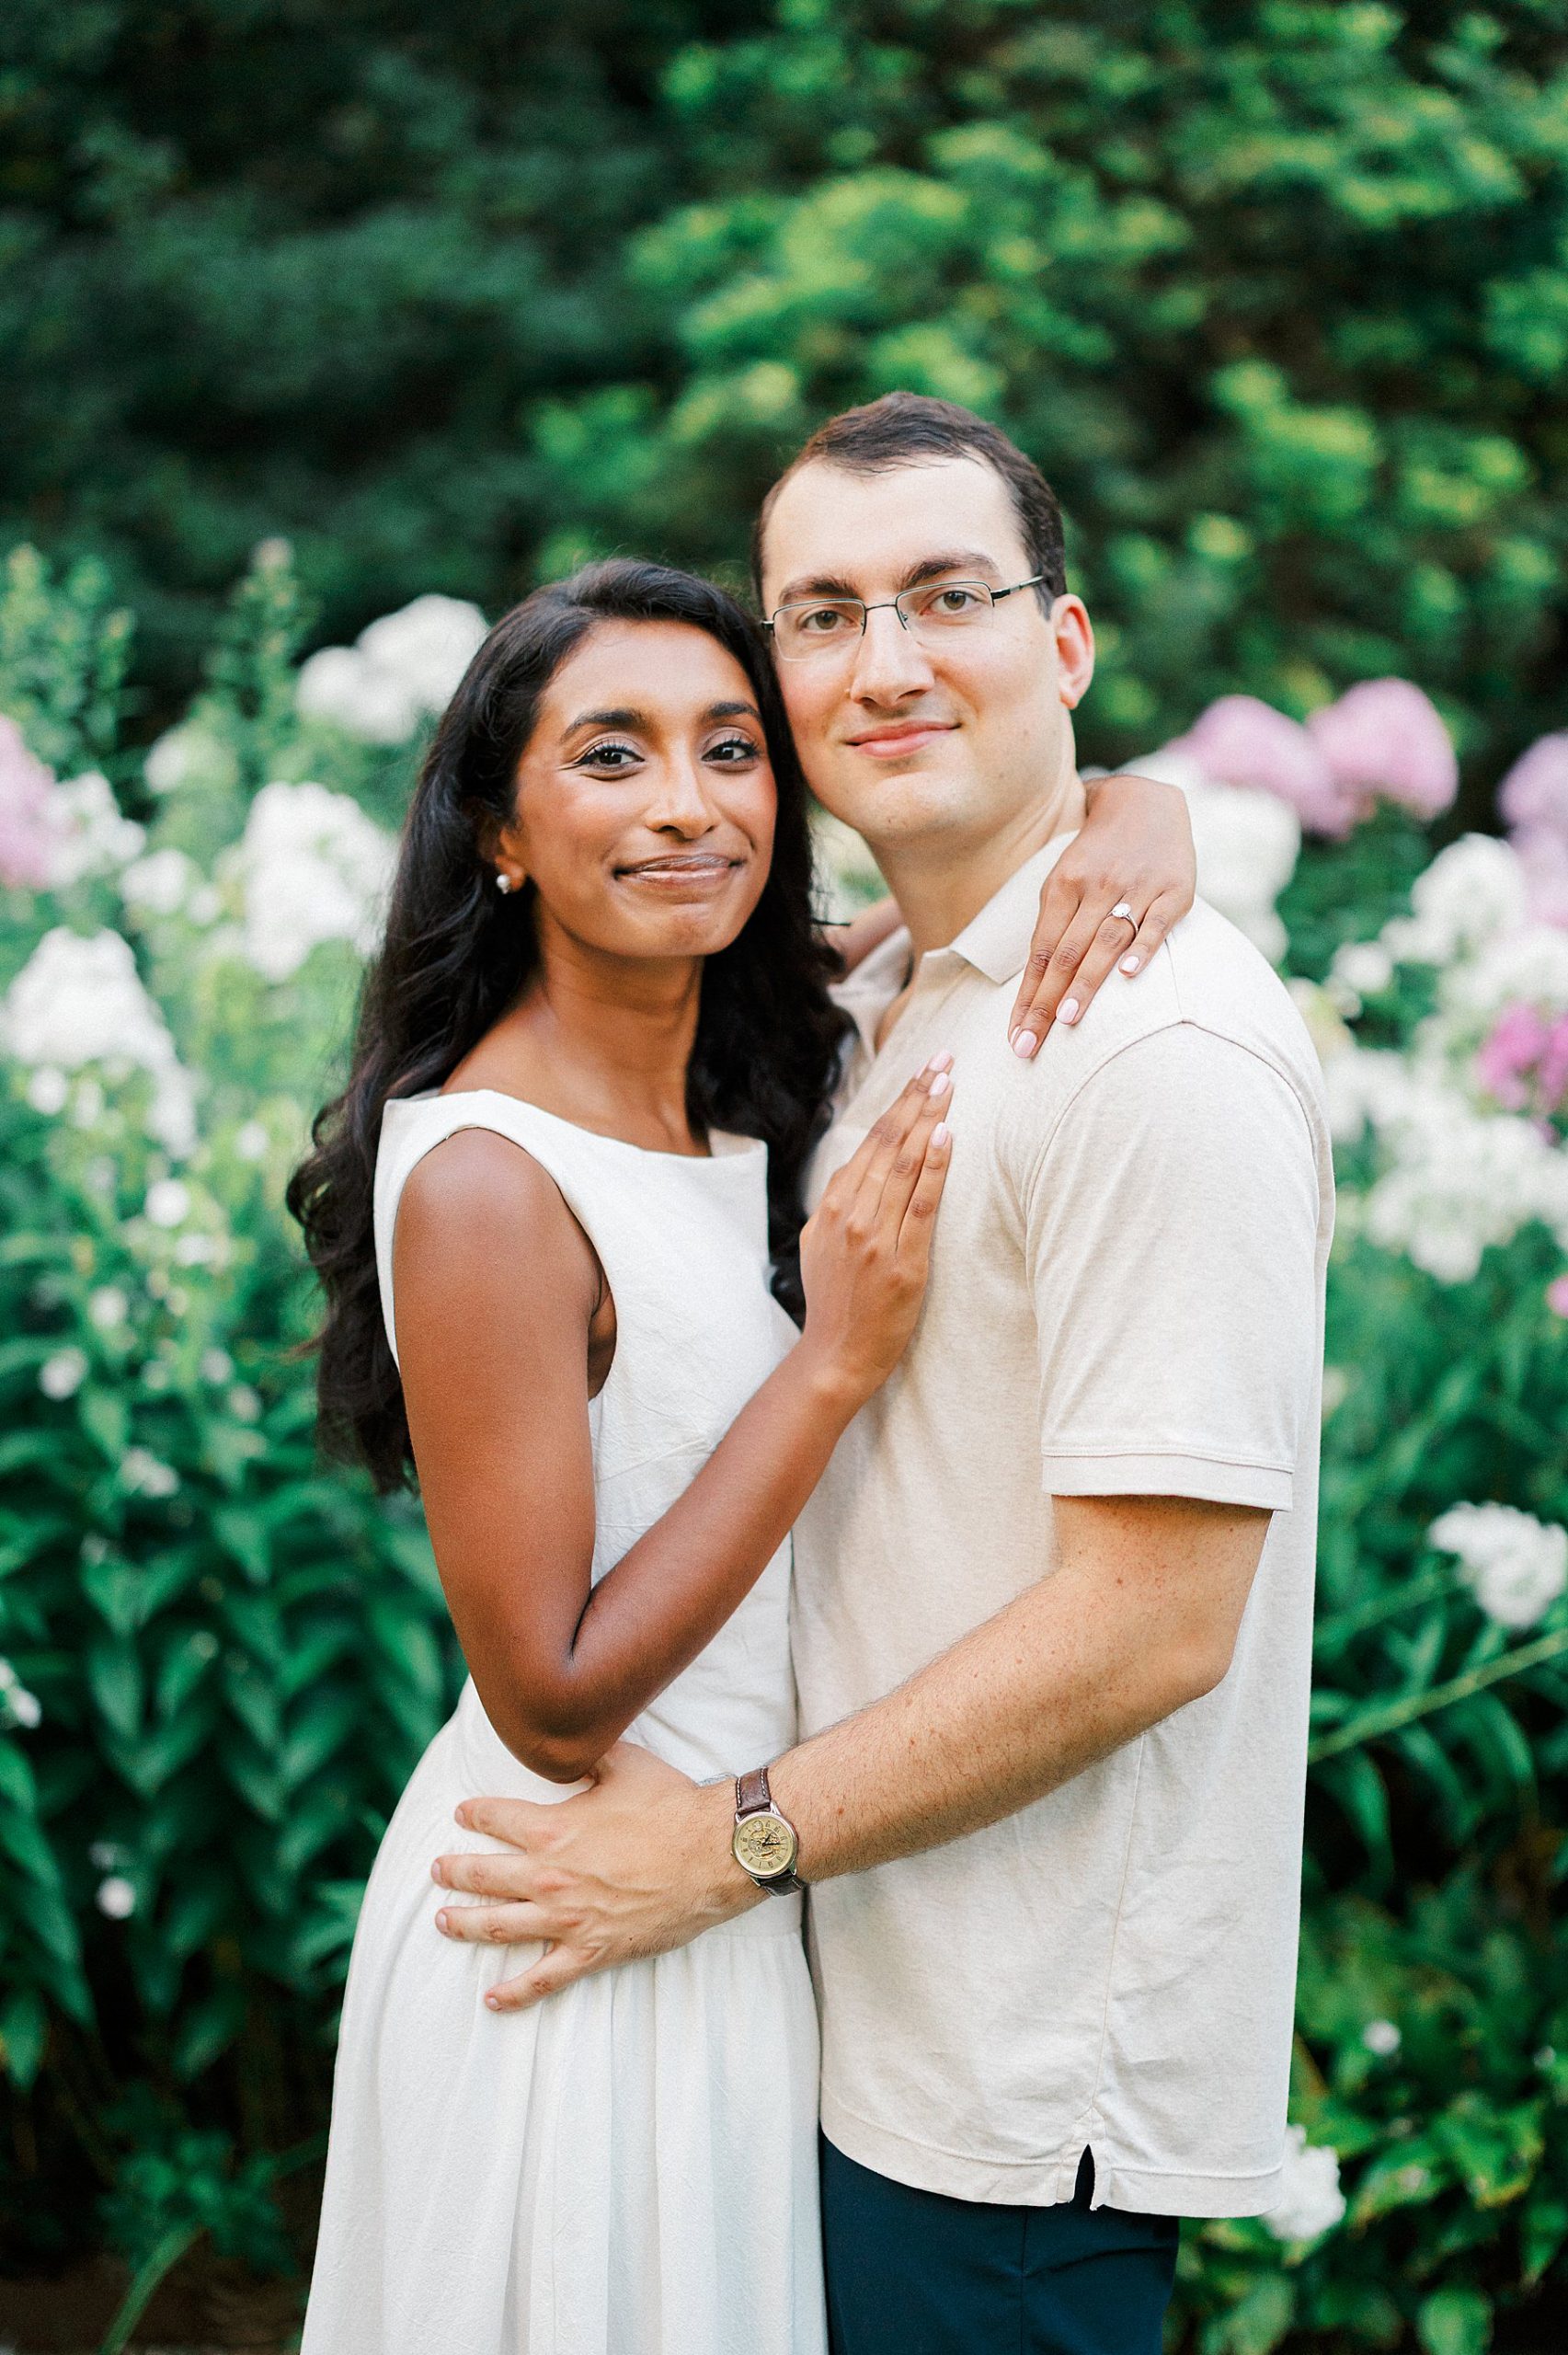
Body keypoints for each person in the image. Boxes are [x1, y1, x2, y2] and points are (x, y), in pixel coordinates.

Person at [433, 396, 1334, 2355]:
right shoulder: (884, 995)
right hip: (834, 2011)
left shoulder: (1157, 1051)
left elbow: (1154, 1621)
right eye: (824, 617)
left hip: (1004, 2079)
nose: (888, 660)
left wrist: (728, 1842)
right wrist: (1127, 804)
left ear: (1065, 640)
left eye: (948, 596)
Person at [289, 550, 1195, 2353]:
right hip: (573, 1915)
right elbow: (548, 1697)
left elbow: (999, 880)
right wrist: (832, 1362)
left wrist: (1137, 806)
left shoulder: (753, 1060)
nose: (687, 805)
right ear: (499, 832)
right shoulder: (488, 1177)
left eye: (729, 748)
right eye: (609, 756)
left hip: (719, 1900)